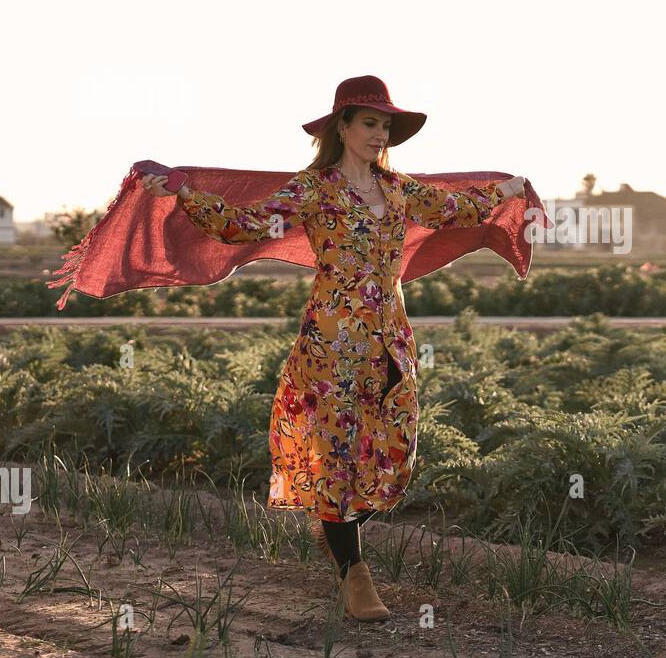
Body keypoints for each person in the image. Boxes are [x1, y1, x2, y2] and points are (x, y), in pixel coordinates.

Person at [139, 76, 525, 621]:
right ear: (341, 127)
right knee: (337, 458)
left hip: (391, 337)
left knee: (393, 449)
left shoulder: (399, 188)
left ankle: (337, 532)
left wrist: (508, 191)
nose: (379, 133)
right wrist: (182, 190)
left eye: (386, 125)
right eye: (370, 122)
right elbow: (244, 224)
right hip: (332, 341)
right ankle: (353, 573)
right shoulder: (315, 189)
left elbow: (452, 209)